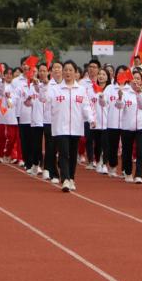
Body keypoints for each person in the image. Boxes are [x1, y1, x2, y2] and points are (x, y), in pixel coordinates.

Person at [48, 60, 97, 192]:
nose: (68, 72)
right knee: (63, 153)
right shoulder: (55, 89)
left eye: (70, 70)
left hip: (76, 127)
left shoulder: (81, 90)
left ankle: (71, 178)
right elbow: (46, 101)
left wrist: (91, 119)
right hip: (60, 127)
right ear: (62, 72)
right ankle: (65, 179)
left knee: (72, 154)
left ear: (76, 73)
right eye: (65, 70)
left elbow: (86, 107)